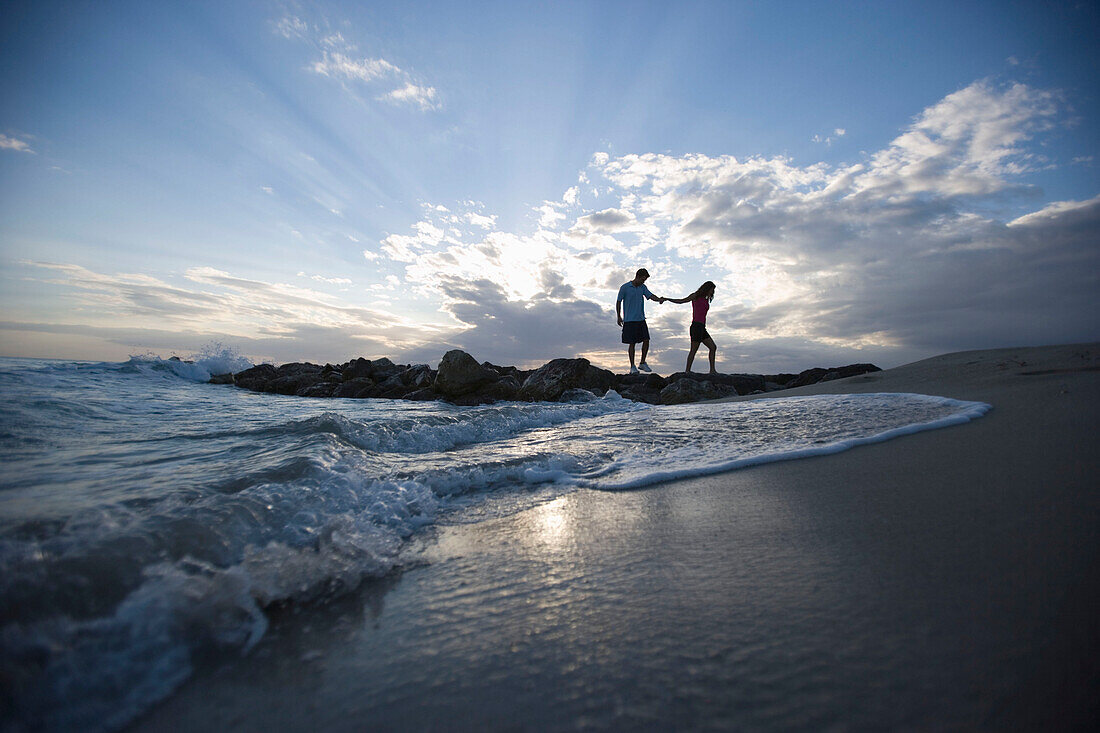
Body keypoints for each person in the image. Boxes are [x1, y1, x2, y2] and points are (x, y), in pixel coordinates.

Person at [615, 268, 665, 374]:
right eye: (642, 279)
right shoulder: (625, 287)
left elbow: (651, 296)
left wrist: (659, 299)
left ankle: (642, 362)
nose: (643, 282)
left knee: (646, 340)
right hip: (629, 320)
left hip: (641, 319)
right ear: (637, 276)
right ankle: (632, 366)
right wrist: (618, 316)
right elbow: (618, 301)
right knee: (632, 343)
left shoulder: (643, 287)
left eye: (645, 280)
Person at [664, 280, 718, 373]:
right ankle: (687, 371)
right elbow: (682, 301)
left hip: (702, 327)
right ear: (707, 288)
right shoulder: (695, 296)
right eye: (711, 290)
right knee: (693, 350)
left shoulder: (706, 299)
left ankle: (712, 370)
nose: (712, 292)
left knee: (713, 347)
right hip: (696, 326)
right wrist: (668, 299)